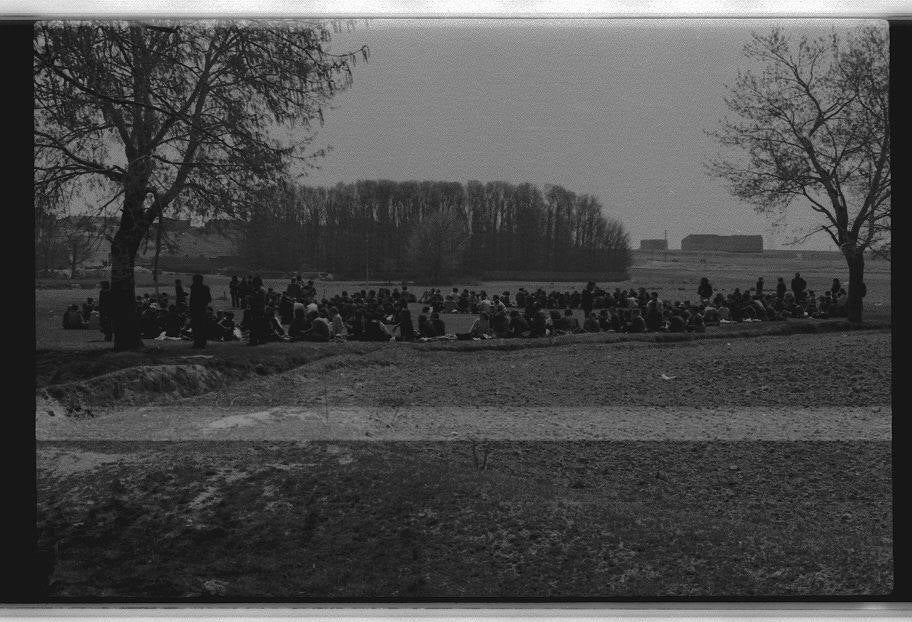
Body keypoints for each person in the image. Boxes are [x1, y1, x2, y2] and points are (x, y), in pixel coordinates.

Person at [189, 274, 212, 348]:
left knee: (196, 327)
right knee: (202, 327)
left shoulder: (193, 288)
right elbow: (209, 299)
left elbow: (191, 300)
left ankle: (196, 343)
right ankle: (202, 343)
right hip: (202, 309)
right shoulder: (205, 288)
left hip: (195, 310)